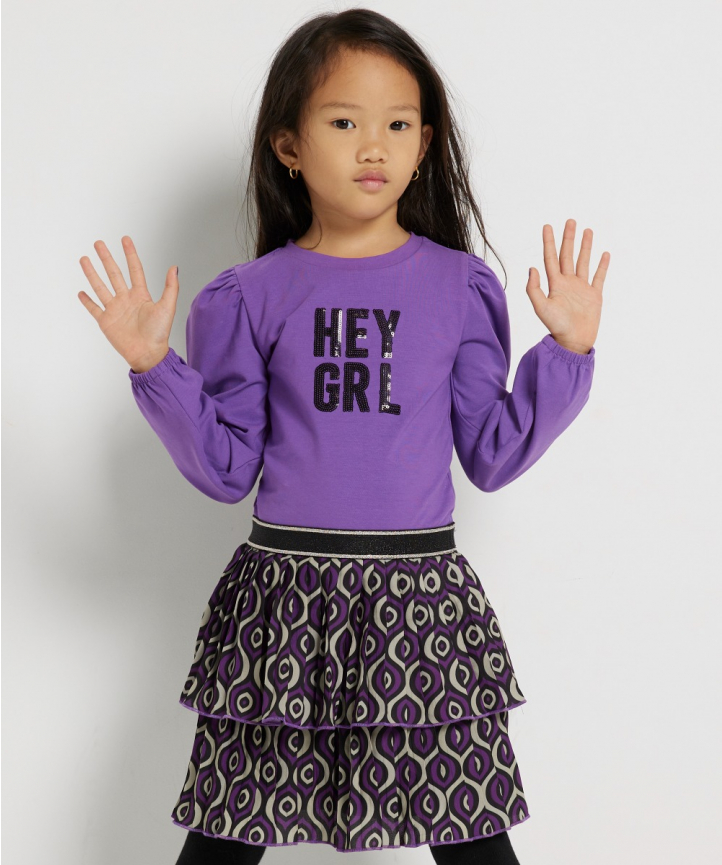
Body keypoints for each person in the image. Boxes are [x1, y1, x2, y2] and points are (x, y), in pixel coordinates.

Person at [77, 8, 608, 864]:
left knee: (475, 842)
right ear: (289, 145)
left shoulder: (462, 287)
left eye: (397, 125)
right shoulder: (247, 296)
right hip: (282, 602)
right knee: (224, 841)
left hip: (420, 601)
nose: (373, 147)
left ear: (424, 144)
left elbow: (492, 451)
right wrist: (155, 366)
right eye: (343, 122)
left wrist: (568, 353)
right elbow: (227, 468)